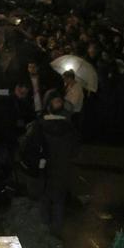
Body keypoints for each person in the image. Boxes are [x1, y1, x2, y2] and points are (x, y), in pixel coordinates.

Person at [25, 90, 80, 237]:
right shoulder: (69, 127)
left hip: (44, 172)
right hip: (62, 171)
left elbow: (29, 150)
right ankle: (56, 234)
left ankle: (44, 235)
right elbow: (75, 151)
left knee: (44, 201)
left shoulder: (39, 126)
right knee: (58, 202)